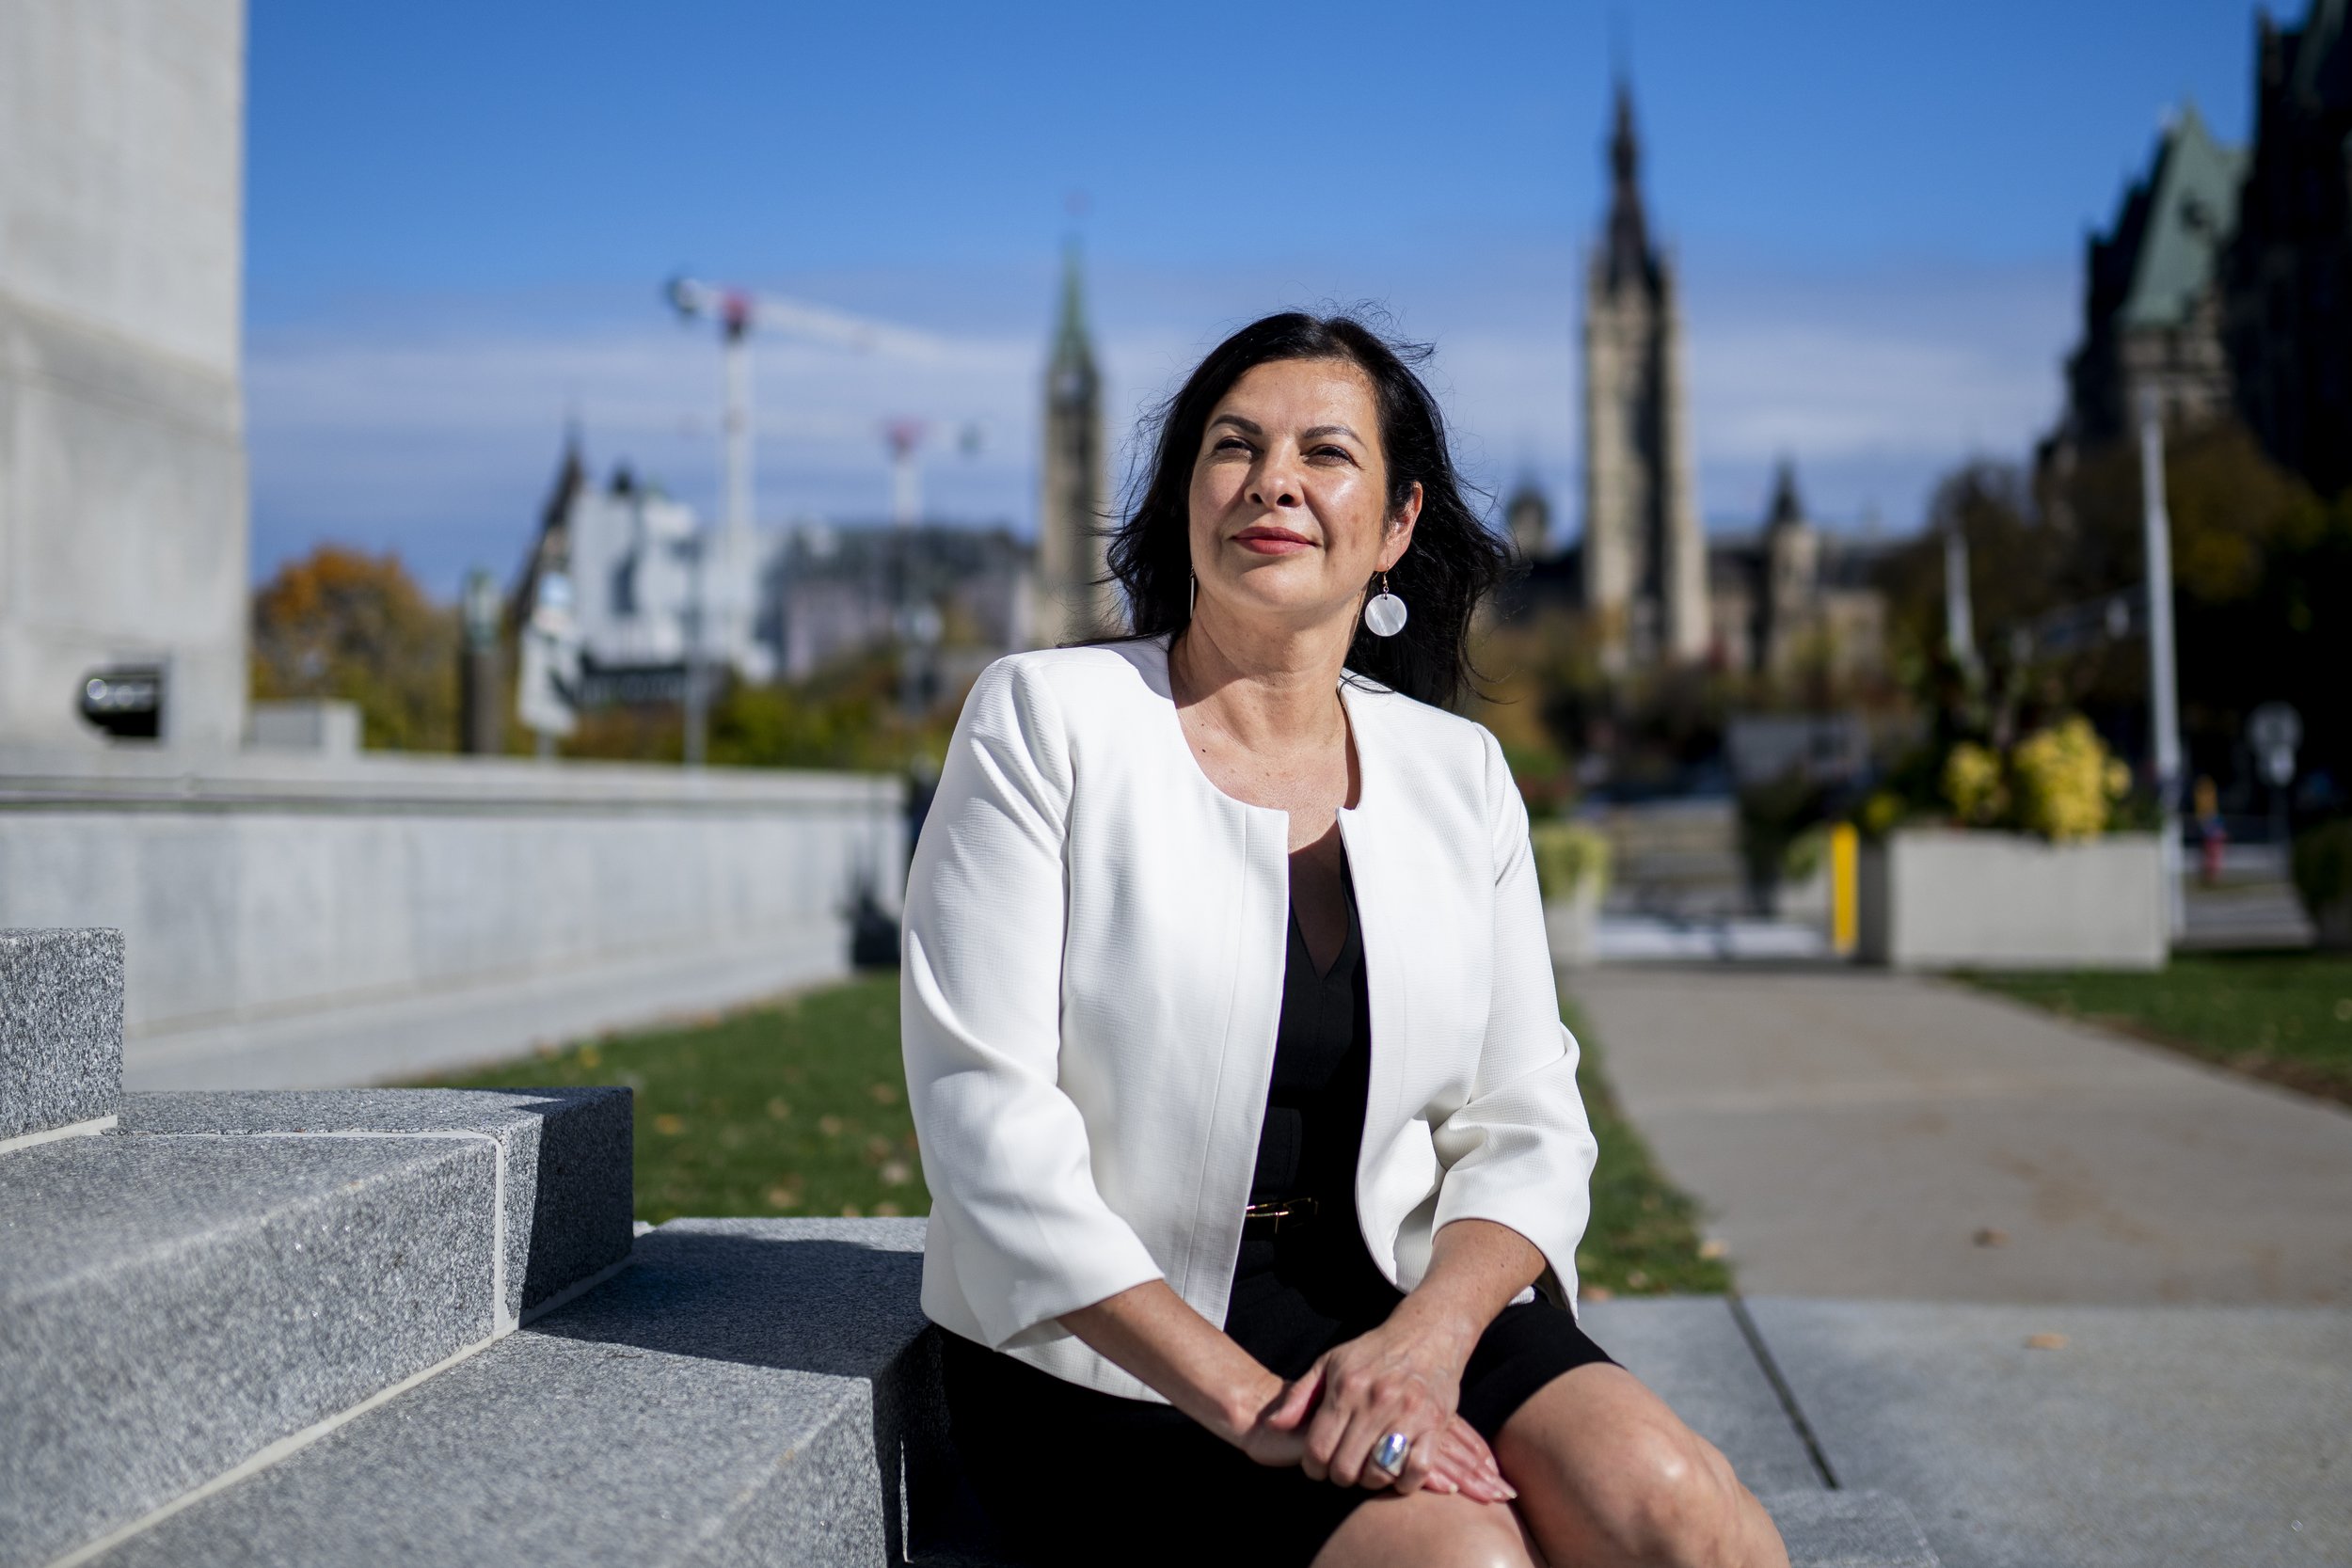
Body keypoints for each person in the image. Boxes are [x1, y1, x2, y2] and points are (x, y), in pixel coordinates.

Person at [901, 313, 1788, 1568]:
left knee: (1680, 1509)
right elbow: (985, 1127)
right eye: (1234, 446)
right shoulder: (1047, 720)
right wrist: (1252, 1404)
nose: (1276, 479)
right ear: (1184, 498)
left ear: (1396, 524)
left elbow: (1528, 1123)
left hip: (1407, 1298)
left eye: (1326, 452)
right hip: (1123, 1347)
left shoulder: (1458, 772)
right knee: (1462, 1561)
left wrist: (1427, 1346)